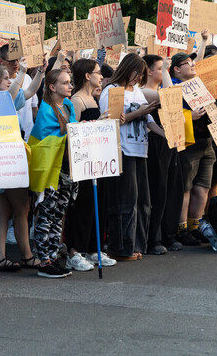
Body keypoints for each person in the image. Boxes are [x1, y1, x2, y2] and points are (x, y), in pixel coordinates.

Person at [100, 53, 163, 261]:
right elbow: (111, 121)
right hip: (122, 150)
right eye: (138, 73)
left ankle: (136, 244)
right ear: (127, 69)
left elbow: (148, 118)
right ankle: (120, 247)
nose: (139, 78)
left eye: (142, 74)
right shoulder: (112, 90)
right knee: (124, 201)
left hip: (140, 149)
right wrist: (139, 112)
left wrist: (165, 134)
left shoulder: (136, 91)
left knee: (142, 200)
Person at [0, 61, 40, 273]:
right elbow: (15, 92)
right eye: (5, 78)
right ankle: (27, 255)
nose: (10, 81)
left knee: (3, 211)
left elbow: (30, 92)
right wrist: (23, 72)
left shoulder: (6, 99)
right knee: (21, 209)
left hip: (6, 158)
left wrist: (41, 72)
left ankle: (0, 257)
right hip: (9, 158)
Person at [63, 59, 115, 270]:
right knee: (82, 206)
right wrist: (98, 123)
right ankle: (74, 251)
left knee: (97, 205)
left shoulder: (93, 98)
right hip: (82, 161)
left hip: (97, 159)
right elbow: (73, 132)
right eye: (97, 72)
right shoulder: (76, 100)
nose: (101, 76)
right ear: (87, 76)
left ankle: (94, 249)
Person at [28, 69, 77, 279]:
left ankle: (53, 257)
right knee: (46, 214)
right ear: (52, 87)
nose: (70, 86)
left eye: (70, 82)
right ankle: (44, 261)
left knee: (58, 215)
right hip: (49, 171)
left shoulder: (69, 105)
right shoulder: (45, 109)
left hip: (65, 169)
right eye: (65, 83)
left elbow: (72, 131)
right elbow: (45, 142)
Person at [169, 53, 215, 246]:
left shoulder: (197, 84)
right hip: (188, 143)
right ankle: (181, 229)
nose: (193, 65)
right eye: (188, 63)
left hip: (206, 140)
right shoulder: (172, 86)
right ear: (177, 69)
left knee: (203, 186)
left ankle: (195, 226)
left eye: (193, 62)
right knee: (185, 188)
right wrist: (190, 115)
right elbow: (169, 112)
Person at [142, 54, 182, 253]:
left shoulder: (157, 89)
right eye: (159, 68)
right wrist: (167, 70)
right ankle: (154, 239)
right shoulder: (143, 91)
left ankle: (168, 234)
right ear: (148, 71)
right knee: (158, 191)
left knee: (172, 190)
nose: (163, 71)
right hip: (155, 143)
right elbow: (169, 97)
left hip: (169, 141)